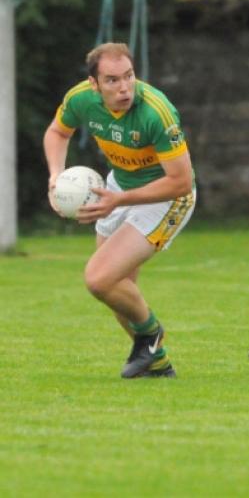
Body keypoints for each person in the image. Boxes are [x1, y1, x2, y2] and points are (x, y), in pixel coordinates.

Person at [43, 42, 196, 378]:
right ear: (95, 84)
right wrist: (56, 175)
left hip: (166, 196)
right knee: (118, 291)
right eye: (112, 80)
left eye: (129, 76)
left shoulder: (156, 111)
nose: (125, 87)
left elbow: (181, 182)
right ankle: (157, 364)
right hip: (117, 187)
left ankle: (151, 334)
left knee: (100, 278)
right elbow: (57, 132)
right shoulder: (81, 98)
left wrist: (119, 201)